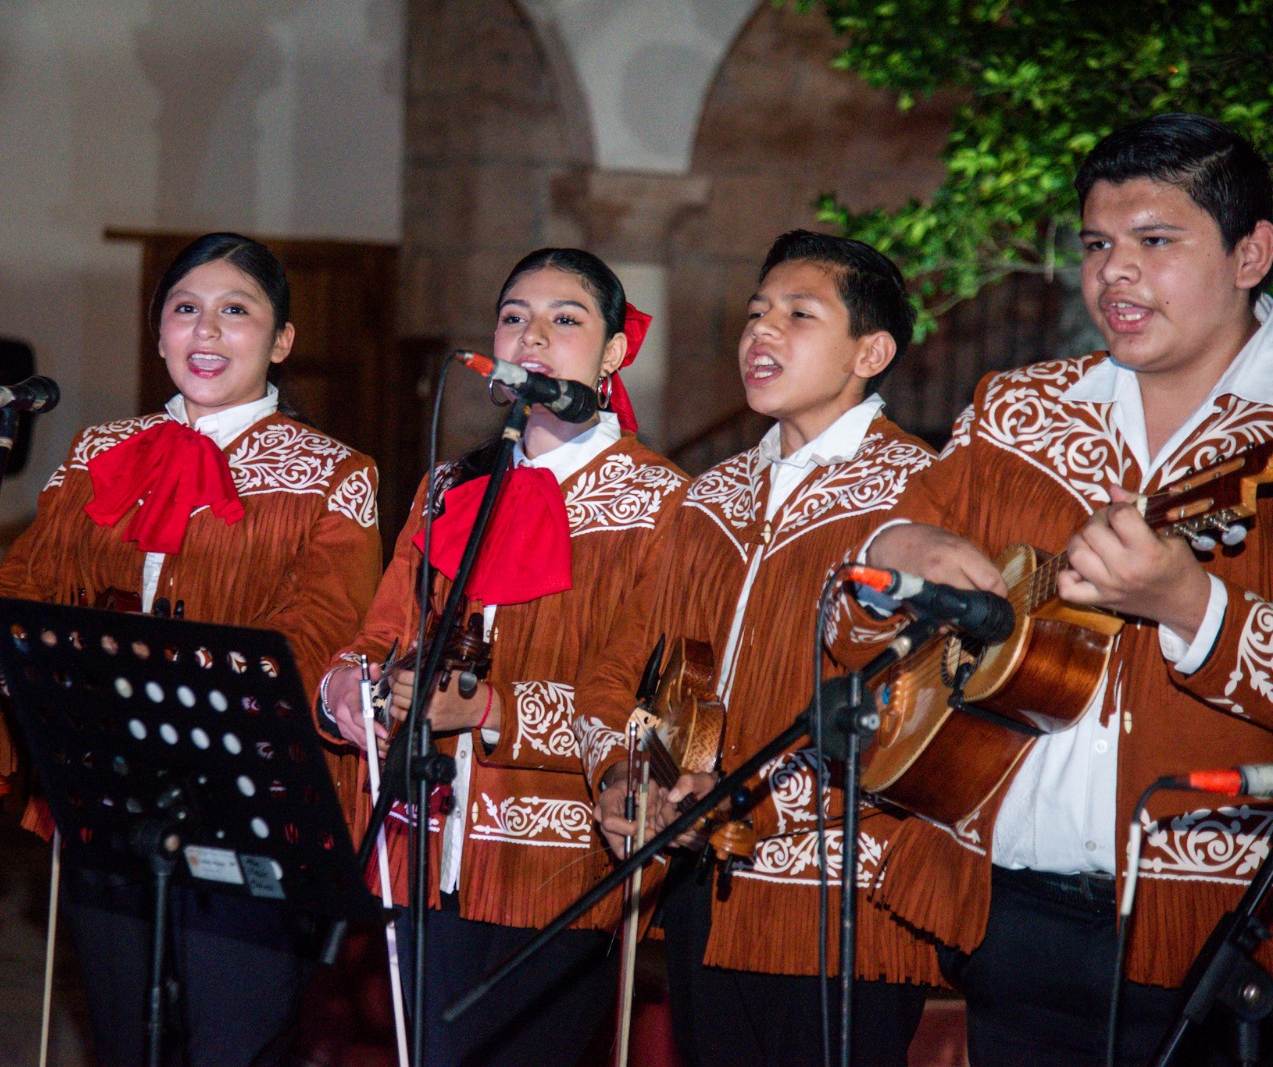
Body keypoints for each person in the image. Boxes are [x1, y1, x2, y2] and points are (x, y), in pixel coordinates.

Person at [834, 113, 1273, 1065]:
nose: (1116, 272)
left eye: (1155, 241)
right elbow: (856, 601)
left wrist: (1192, 608)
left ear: (1252, 254)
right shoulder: (1017, 408)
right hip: (1008, 912)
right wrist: (898, 541)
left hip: (1219, 926)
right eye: (1097, 245)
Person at [0, 232, 383, 1067]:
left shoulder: (336, 473)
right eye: (186, 308)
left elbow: (320, 631)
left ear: (281, 340)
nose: (206, 330)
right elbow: (23, 588)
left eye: (236, 310)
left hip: (252, 800)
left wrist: (160, 683)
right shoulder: (97, 452)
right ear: (158, 330)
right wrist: (9, 654)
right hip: (108, 793)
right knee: (124, 1042)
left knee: (235, 1044)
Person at [574, 231, 939, 1066]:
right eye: (754, 313)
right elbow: (619, 671)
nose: (761, 333)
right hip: (703, 889)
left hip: (840, 904)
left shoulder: (921, 491)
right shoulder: (708, 496)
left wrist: (751, 801)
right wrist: (624, 773)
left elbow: (915, 710)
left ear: (871, 352)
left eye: (798, 315)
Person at [321, 247, 690, 1066]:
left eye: (566, 319)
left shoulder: (663, 503)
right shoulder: (448, 486)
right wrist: (349, 685)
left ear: (613, 352)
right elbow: (379, 634)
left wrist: (492, 708)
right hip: (425, 850)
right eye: (514, 317)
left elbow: (646, 698)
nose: (533, 337)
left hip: (557, 865)